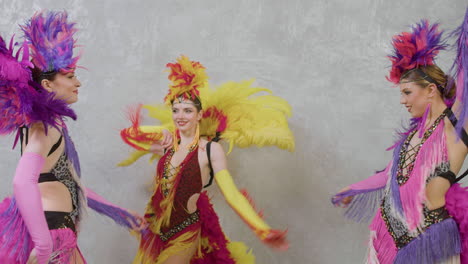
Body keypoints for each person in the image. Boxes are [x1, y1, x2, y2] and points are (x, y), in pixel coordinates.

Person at [0, 11, 145, 264]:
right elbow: (23, 182)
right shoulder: (44, 127)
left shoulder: (49, 124)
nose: (78, 83)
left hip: (59, 231)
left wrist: (116, 211)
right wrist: (45, 246)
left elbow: (69, 181)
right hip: (53, 234)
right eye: (69, 76)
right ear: (47, 85)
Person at [120, 55, 293, 263]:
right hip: (155, 229)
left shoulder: (210, 150)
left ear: (199, 115)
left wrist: (261, 229)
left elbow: (232, 195)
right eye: (176, 110)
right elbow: (129, 133)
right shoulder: (167, 144)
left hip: (186, 230)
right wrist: (162, 130)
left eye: (187, 111)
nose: (180, 116)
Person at [332, 10, 468, 264]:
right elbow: (388, 175)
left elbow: (466, 75)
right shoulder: (411, 137)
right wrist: (353, 188)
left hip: (428, 244)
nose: (402, 101)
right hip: (386, 236)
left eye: (407, 92)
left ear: (430, 90)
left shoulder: (452, 127)